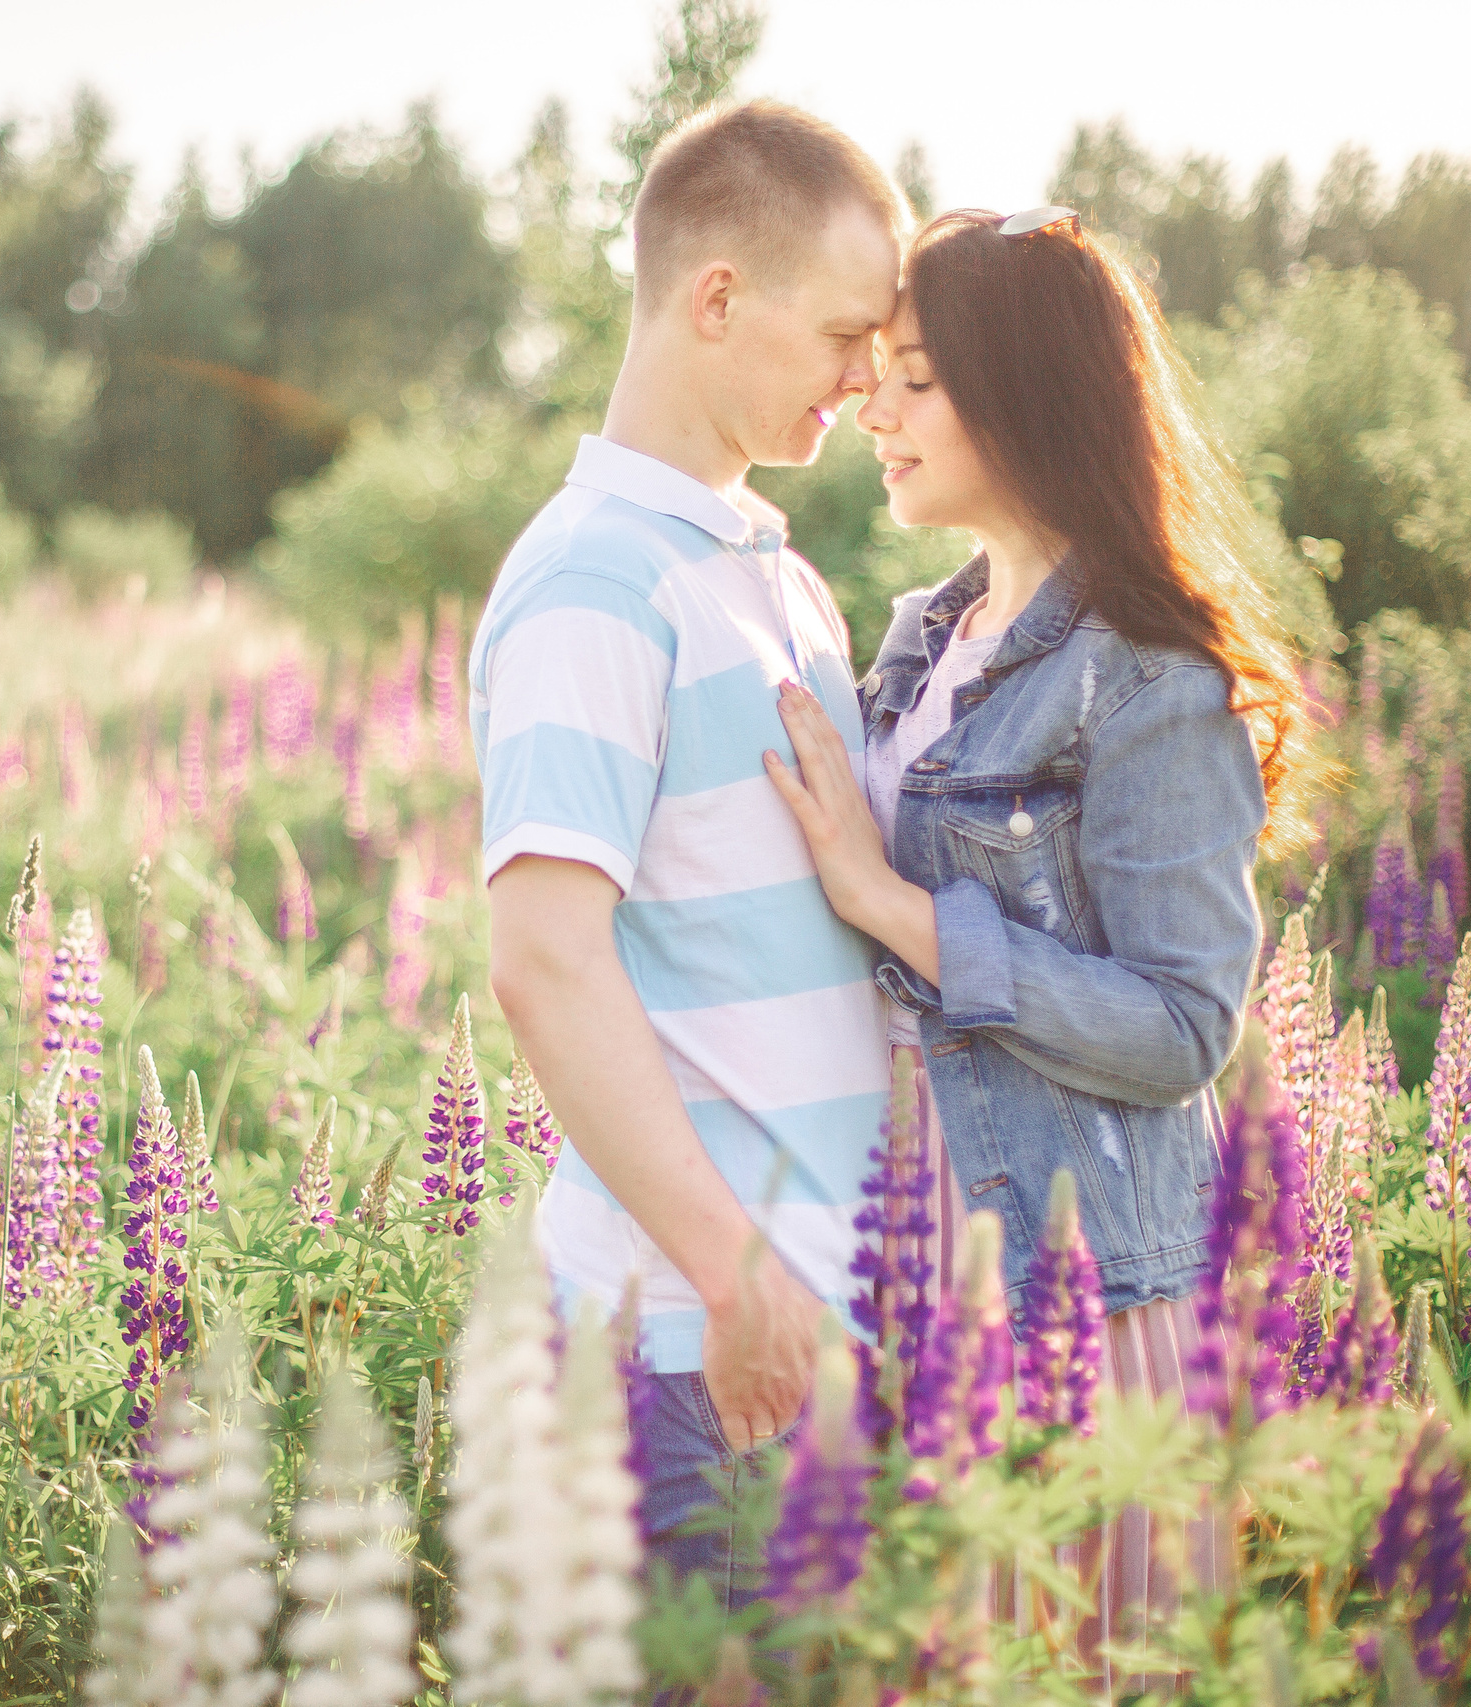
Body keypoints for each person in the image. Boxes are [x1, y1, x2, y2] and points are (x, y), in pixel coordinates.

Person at [762, 205, 1316, 1658]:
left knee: (1056, 1661)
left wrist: (891, 903)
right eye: (879, 374)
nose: (873, 409)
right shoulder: (921, 639)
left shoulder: (1152, 677)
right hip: (895, 1243)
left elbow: (1185, 1027)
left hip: (1065, 1276)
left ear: (1024, 397)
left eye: (918, 380)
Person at [475, 99, 909, 1600]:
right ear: (717, 298)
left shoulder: (772, 575)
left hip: (806, 1330)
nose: (868, 378)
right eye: (843, 335)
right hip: (692, 1350)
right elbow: (543, 964)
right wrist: (738, 1282)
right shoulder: (596, 584)